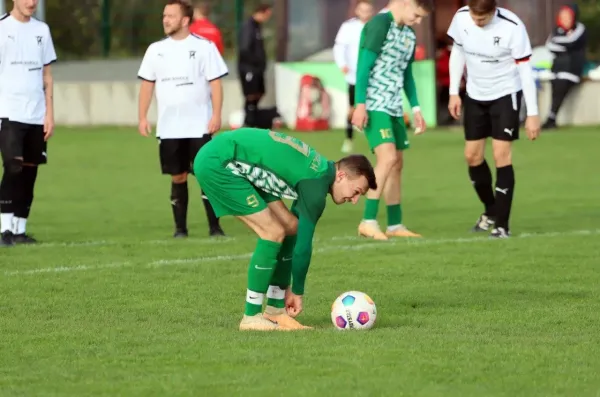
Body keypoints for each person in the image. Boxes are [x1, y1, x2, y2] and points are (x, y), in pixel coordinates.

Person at [193, 128, 377, 331]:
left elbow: (297, 233)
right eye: (356, 191)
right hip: (220, 162)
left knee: (291, 227)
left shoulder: (319, 173)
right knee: (272, 232)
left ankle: (275, 310)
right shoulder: (315, 188)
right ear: (341, 176)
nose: (354, 200)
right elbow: (303, 248)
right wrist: (297, 291)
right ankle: (251, 316)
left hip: (235, 159)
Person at [446, 0, 541, 238]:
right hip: (475, 95)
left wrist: (532, 113)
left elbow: (525, 71)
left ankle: (502, 225)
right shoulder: (461, 18)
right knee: (472, 156)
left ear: (493, 12)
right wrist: (453, 92)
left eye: (483, 18)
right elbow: (457, 52)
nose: (477, 22)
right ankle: (490, 210)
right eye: (474, 17)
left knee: (501, 155)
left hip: (505, 94)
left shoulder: (512, 27)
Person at [137, 0, 228, 238]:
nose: (165, 19)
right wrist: (142, 117)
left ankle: (215, 228)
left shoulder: (205, 47)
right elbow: (147, 85)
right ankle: (180, 230)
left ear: (185, 20)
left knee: (206, 175)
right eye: (164, 15)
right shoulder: (155, 50)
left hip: (199, 125)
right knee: (178, 176)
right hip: (169, 128)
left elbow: (215, 83)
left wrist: (217, 114)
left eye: (171, 16)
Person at [351, 0, 432, 241]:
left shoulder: (408, 34)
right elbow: (363, 67)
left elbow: (407, 74)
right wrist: (360, 105)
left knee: (397, 165)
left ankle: (395, 224)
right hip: (375, 104)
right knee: (387, 159)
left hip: (395, 106)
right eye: (416, 15)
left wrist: (416, 108)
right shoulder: (379, 24)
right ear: (406, 3)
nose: (418, 21)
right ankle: (368, 220)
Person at [0, 0, 57, 247]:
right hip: (8, 112)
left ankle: (20, 230)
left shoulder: (41, 30)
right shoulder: (2, 28)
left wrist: (49, 114)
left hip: (36, 114)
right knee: (14, 167)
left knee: (30, 172)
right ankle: (4, 230)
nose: (32, 2)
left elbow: (47, 76)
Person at [333, 0, 373, 154]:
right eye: (362, 9)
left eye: (368, 10)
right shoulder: (348, 27)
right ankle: (349, 139)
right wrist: (342, 64)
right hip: (354, 76)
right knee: (352, 109)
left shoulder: (376, 26)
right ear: (357, 10)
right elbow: (339, 47)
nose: (365, 13)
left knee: (372, 108)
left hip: (372, 76)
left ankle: (374, 138)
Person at [542, 3, 587, 130]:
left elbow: (571, 41)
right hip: (557, 70)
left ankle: (551, 118)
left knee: (560, 86)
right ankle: (551, 118)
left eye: (567, 16)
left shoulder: (580, 28)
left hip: (572, 70)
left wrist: (558, 43)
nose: (564, 19)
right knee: (556, 87)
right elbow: (549, 45)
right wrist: (563, 47)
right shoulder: (557, 30)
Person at [237, 3, 272, 128]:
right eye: (267, 14)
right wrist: (255, 62)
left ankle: (253, 118)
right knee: (251, 94)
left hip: (257, 68)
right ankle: (248, 121)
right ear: (262, 12)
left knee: (260, 92)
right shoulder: (248, 27)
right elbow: (244, 49)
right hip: (249, 68)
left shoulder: (258, 27)